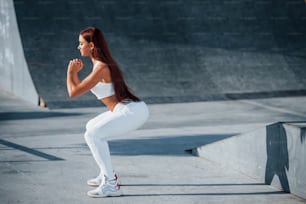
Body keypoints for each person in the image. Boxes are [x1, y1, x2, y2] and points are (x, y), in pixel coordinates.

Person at [66, 26, 149, 198]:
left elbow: (73, 92)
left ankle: (111, 184)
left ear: (92, 45)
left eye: (81, 43)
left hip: (131, 111)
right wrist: (74, 74)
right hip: (126, 109)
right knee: (91, 127)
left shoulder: (101, 68)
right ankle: (106, 173)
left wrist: (70, 72)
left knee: (93, 135)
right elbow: (76, 88)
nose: (78, 47)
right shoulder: (99, 65)